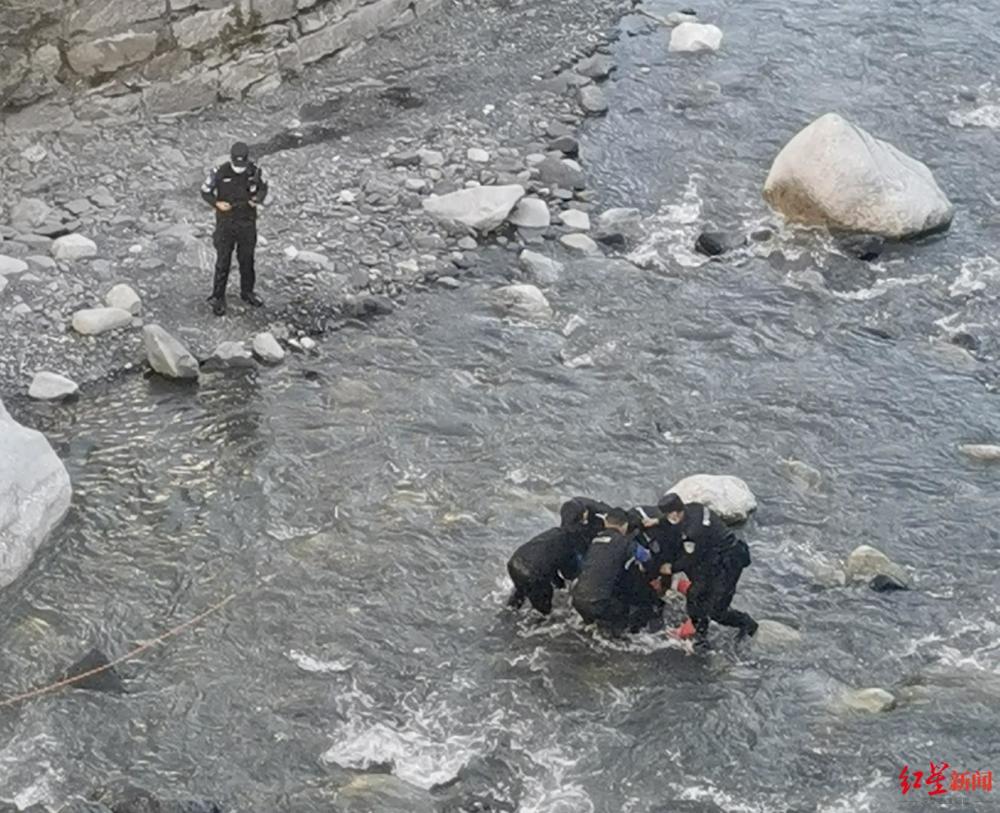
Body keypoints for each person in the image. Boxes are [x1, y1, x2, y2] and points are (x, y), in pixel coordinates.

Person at [654, 493, 757, 643]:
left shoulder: (693, 531)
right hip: (713, 558)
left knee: (717, 610)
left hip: (729, 561)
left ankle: (747, 624)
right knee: (695, 594)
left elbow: (690, 558)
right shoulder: (694, 507)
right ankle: (699, 633)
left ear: (675, 513)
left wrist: (671, 568)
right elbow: (672, 522)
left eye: (668, 515)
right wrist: (658, 521)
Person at [201, 141, 268, 316]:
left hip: (247, 222)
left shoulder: (255, 171)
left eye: (242, 164)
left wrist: (257, 199)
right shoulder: (219, 172)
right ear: (231, 159)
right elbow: (205, 191)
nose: (240, 168)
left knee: (247, 260)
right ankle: (218, 297)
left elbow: (263, 188)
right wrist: (216, 204)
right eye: (237, 164)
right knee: (223, 261)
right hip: (225, 223)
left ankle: (247, 292)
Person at [507, 499, 604, 615]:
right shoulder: (573, 541)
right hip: (533, 573)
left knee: (521, 590)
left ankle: (508, 613)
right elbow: (570, 572)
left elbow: (550, 561)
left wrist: (559, 583)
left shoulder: (554, 532)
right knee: (543, 612)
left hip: (515, 563)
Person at [570, 508, 654, 635]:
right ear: (625, 525)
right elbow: (647, 558)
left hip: (578, 600)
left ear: (605, 523)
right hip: (602, 604)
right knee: (625, 623)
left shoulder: (594, 541)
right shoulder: (626, 543)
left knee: (591, 631)